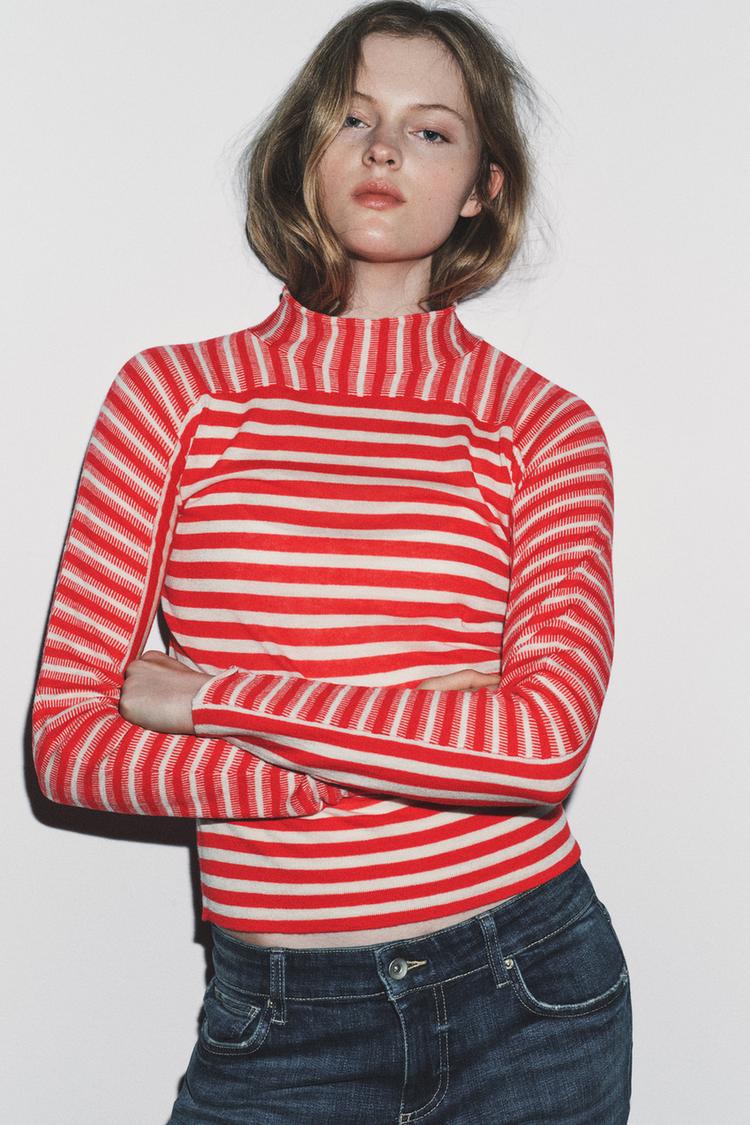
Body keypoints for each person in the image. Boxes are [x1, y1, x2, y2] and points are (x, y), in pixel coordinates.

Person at [31, 1, 632, 1120]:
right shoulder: (172, 398)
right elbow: (70, 745)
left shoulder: (543, 427)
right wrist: (422, 741)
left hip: (527, 992)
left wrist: (210, 700)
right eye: (354, 117)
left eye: (431, 130)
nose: (385, 149)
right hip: (276, 1022)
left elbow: (541, 751)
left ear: (483, 186)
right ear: (306, 146)